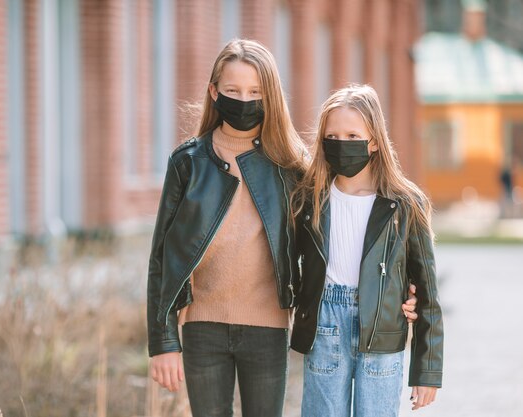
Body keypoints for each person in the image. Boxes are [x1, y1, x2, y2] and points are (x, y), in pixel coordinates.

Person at [147, 40, 418, 417]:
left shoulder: (292, 169)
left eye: (255, 92)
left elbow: (338, 242)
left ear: (270, 96)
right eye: (232, 90)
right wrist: (163, 342)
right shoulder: (187, 163)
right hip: (201, 326)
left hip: (268, 328)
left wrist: (398, 292)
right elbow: (162, 257)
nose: (244, 100)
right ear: (214, 92)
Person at [290, 84, 443, 417]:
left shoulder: (405, 204)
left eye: (352, 136)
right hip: (325, 325)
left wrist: (427, 371)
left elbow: (428, 292)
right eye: (333, 136)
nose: (342, 145)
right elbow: (287, 263)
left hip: (383, 328)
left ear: (374, 141)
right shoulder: (310, 199)